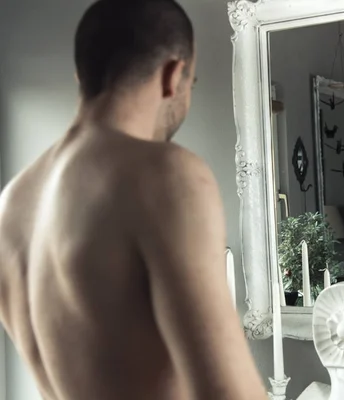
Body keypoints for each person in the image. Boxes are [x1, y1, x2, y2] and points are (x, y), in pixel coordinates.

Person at [0, 1, 267, 399]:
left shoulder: (11, 204)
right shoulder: (165, 175)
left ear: (82, 75)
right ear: (173, 76)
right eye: (190, 85)